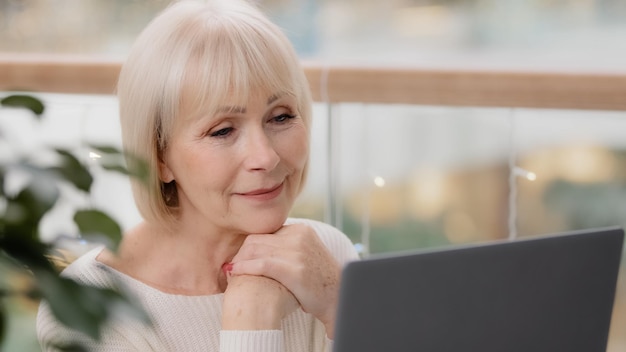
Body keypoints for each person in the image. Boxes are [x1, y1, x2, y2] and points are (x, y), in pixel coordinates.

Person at [36, 0, 359, 350]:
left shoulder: (325, 255)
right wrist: (250, 323)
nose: (265, 157)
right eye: (222, 131)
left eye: (280, 117)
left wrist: (338, 306)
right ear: (160, 158)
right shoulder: (89, 308)